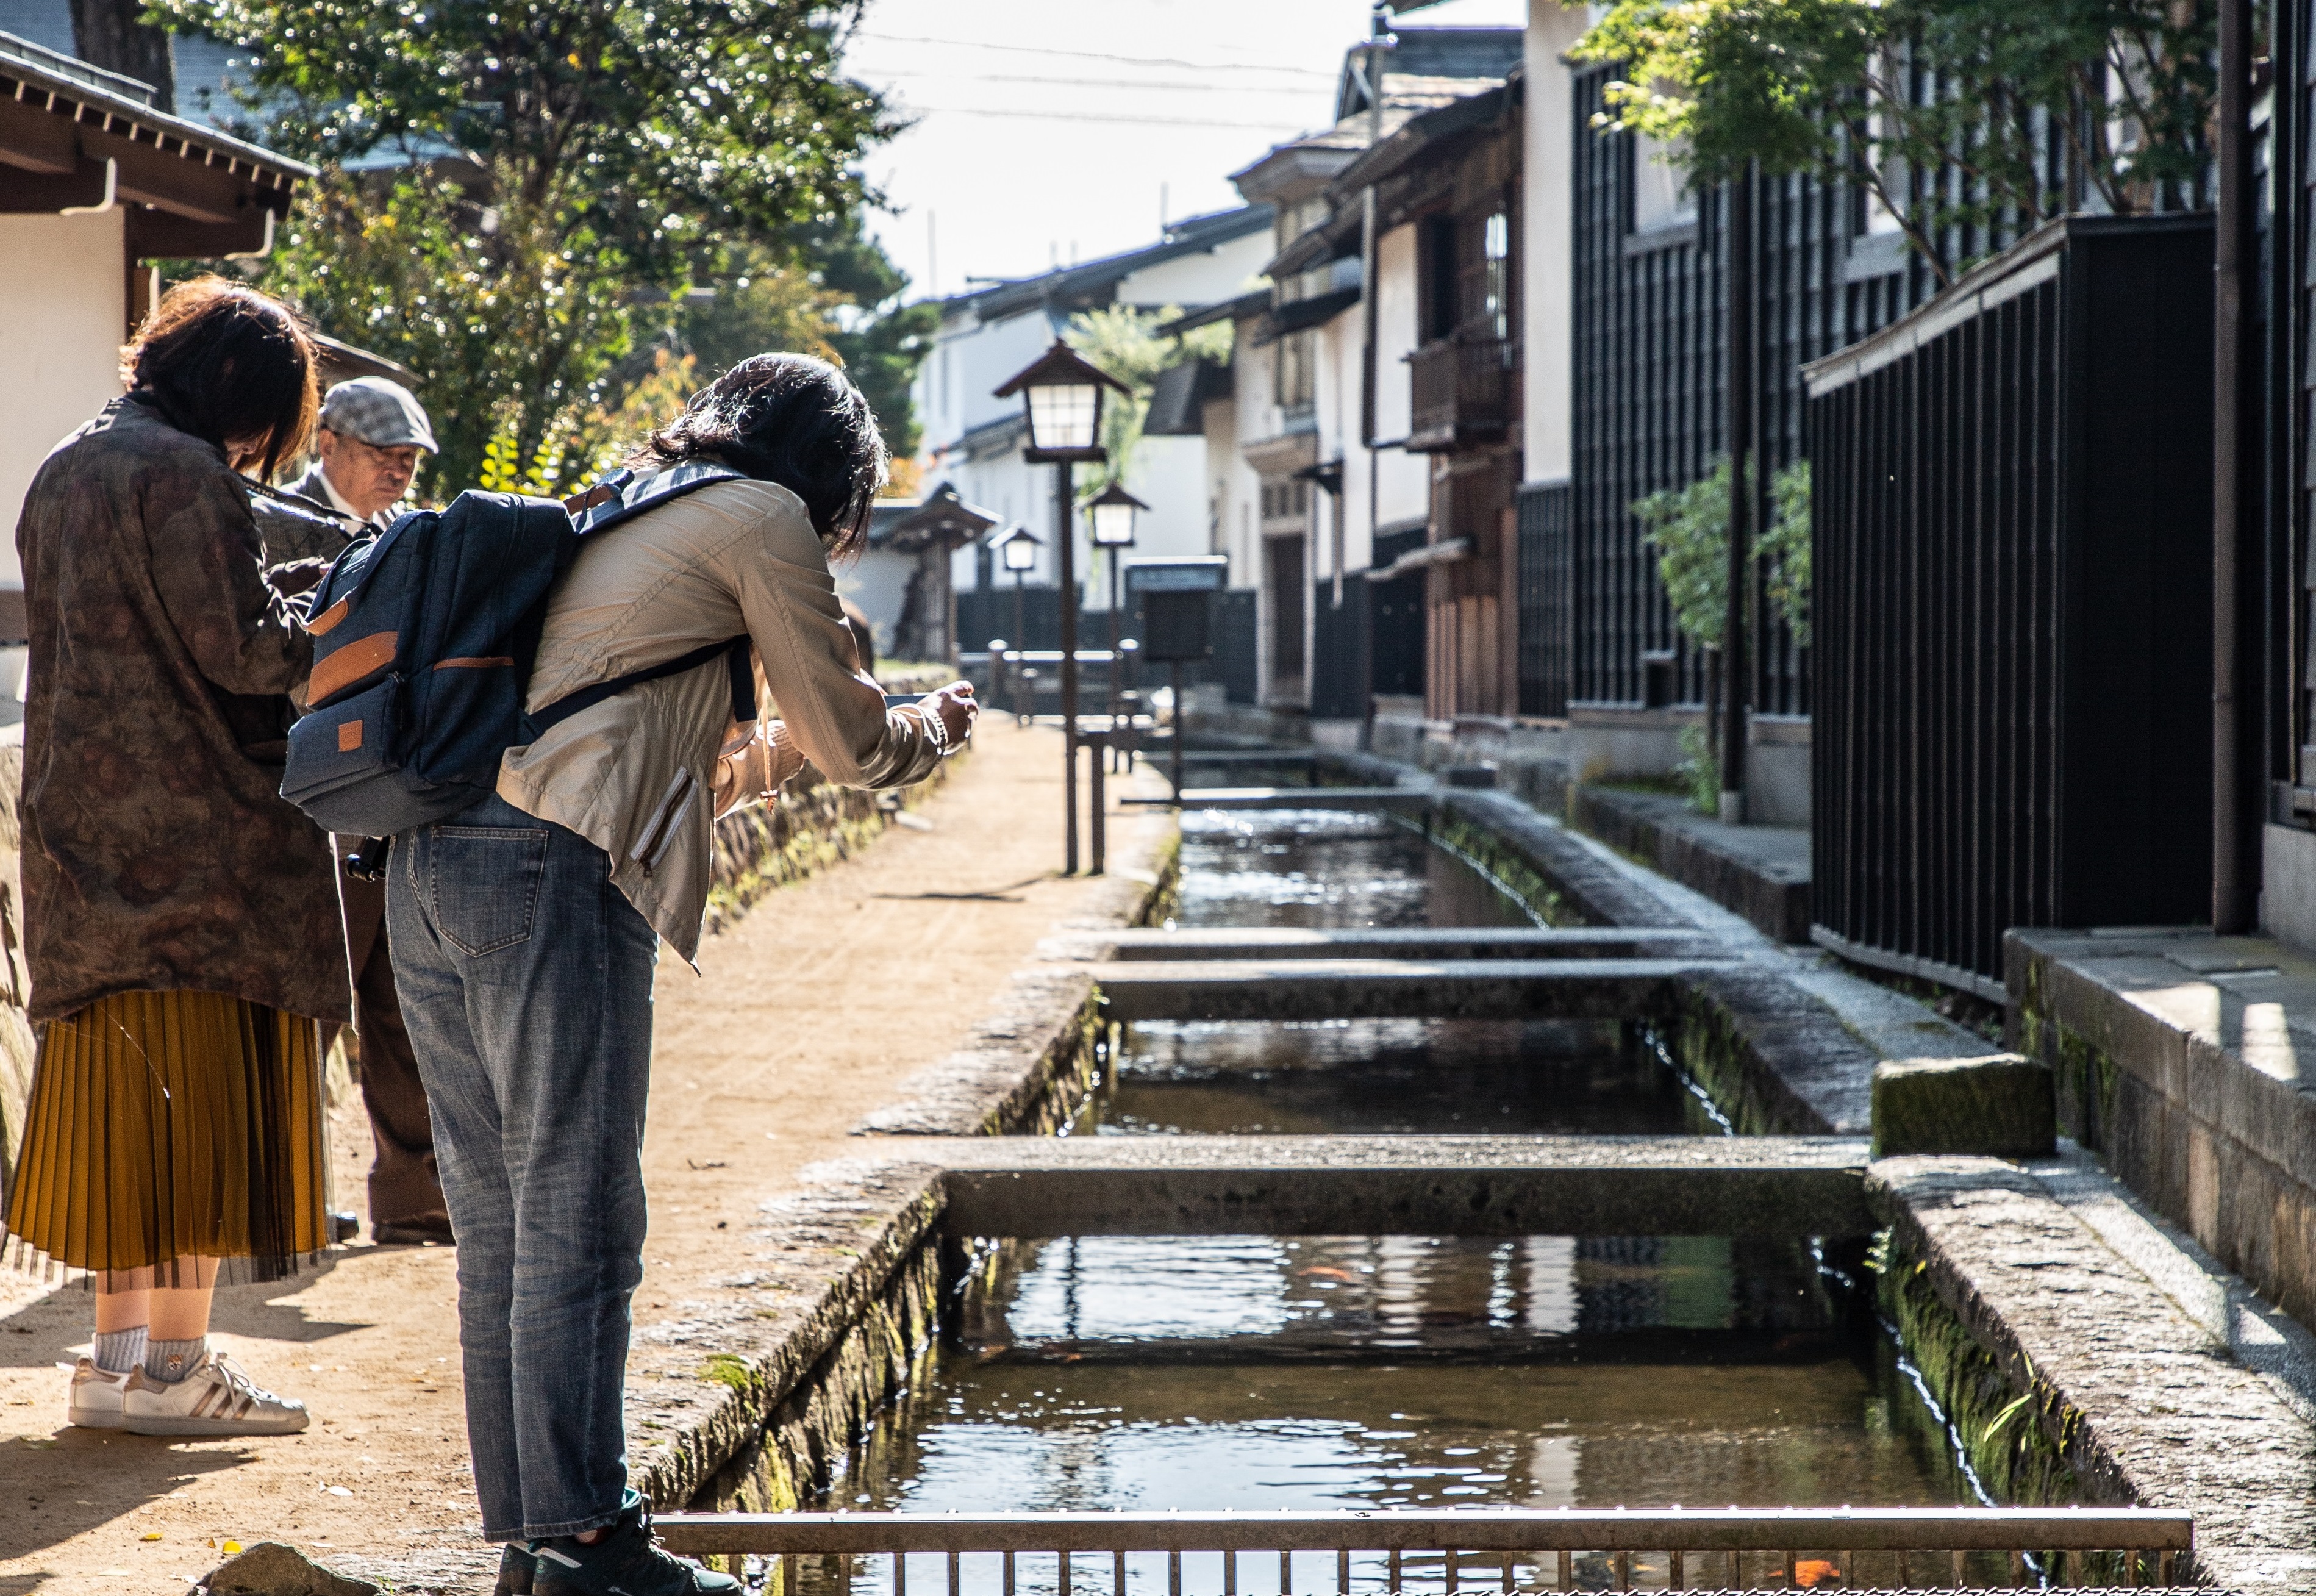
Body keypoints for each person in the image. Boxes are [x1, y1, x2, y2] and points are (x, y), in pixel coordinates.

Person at [388, 354, 976, 1596]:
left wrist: (788, 751)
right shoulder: (758, 516)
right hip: (553, 870)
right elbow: (851, 736)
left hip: (432, 862)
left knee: (505, 1219)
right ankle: (591, 1538)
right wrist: (927, 726)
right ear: (829, 474)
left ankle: (538, 1541)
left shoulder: (627, 496)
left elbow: (688, 752)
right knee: (583, 1213)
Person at [2, 276, 346, 1437]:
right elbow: (242, 651)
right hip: (200, 849)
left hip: (78, 836)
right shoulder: (186, 473)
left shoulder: (67, 465)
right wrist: (345, 631)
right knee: (197, 1113)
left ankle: (114, 1361)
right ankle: (181, 1367)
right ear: (241, 396)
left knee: (124, 1119)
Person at [257, 376, 454, 1247]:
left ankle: (411, 1196)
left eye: (409, 459)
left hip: (385, 794)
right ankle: (284, 1202)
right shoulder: (269, 519)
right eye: (384, 455)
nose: (399, 471)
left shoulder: (403, 534)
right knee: (311, 1006)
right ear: (326, 441)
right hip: (309, 799)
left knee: (403, 1005)